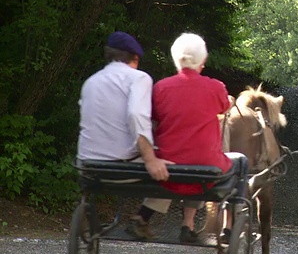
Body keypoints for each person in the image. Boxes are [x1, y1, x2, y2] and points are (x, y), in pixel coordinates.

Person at [128, 32, 245, 243]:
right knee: (240, 164)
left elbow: (154, 115)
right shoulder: (216, 87)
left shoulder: (161, 87)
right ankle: (229, 227)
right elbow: (225, 106)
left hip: (168, 165)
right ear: (204, 60)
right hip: (205, 166)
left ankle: (145, 217)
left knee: (177, 172)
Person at [76, 31, 172, 181]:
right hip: (119, 168)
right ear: (135, 58)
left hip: (86, 166)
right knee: (178, 169)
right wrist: (150, 160)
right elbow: (136, 115)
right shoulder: (139, 78)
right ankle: (152, 206)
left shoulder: (90, 82)